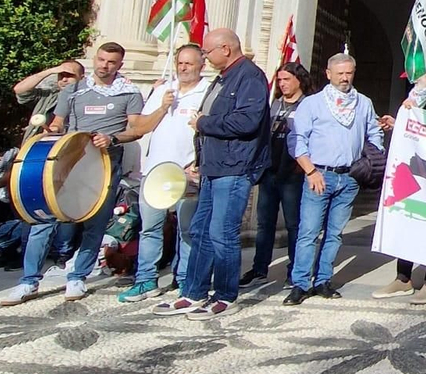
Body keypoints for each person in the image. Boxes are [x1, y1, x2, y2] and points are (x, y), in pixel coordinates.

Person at [2, 43, 145, 304]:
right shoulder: (74, 89)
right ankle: (28, 281)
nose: (105, 65)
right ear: (95, 59)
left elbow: (136, 130)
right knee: (45, 219)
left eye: (112, 62)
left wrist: (112, 138)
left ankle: (78, 276)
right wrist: (51, 129)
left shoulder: (130, 92)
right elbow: (58, 122)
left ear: (120, 65)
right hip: (68, 161)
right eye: (101, 59)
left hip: (104, 164)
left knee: (95, 222)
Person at [158, 28, 271, 316]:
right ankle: (193, 292)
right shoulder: (223, 78)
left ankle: (224, 295)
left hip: (234, 168)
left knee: (223, 233)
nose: (204, 57)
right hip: (212, 166)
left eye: (208, 52)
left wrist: (204, 123)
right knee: (201, 231)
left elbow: (246, 122)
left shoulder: (250, 77)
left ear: (226, 49)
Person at [281, 51, 382, 305]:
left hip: (348, 177)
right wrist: (310, 170)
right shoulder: (313, 103)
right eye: (340, 74)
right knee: (308, 232)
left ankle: (323, 280)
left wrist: (369, 161)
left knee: (335, 233)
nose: (345, 78)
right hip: (319, 175)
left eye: (349, 73)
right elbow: (297, 139)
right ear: (328, 74)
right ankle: (300, 283)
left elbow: (373, 132)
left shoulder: (363, 103)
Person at [120, 43, 210, 303]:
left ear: (201, 65)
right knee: (150, 228)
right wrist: (161, 107)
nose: (183, 68)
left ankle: (184, 279)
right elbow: (140, 127)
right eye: (180, 63)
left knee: (187, 230)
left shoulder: (208, 92)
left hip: (186, 173)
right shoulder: (163, 89)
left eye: (189, 63)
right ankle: (146, 279)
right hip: (155, 172)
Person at [376, 65, 426, 297]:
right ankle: (403, 276)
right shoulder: (416, 92)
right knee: (407, 215)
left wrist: (417, 113)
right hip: (410, 166)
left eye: (415, 74)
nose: (412, 79)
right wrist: (397, 121)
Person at [245, 61, 313, 287]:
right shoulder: (274, 105)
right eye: (280, 80)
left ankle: (295, 271)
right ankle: (259, 269)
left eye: (287, 79)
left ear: (299, 80)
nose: (282, 84)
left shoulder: (309, 105)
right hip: (269, 171)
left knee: (294, 224)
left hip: (293, 174)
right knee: (265, 223)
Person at [11, 57, 84, 138]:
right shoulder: (48, 96)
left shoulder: (88, 100)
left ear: (82, 78)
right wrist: (50, 71)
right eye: (61, 75)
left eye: (70, 75)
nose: (64, 79)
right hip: (36, 146)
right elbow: (19, 89)